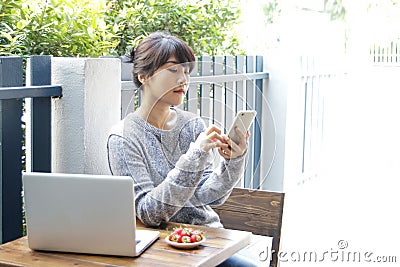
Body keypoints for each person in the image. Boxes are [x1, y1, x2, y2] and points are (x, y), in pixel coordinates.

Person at [107, 31, 257, 266]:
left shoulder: (193, 125)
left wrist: (234, 161)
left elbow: (210, 197)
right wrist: (195, 155)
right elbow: (149, 213)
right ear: (143, 75)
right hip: (157, 250)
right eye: (173, 70)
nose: (183, 79)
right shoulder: (123, 137)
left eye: (186, 71)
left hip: (205, 242)